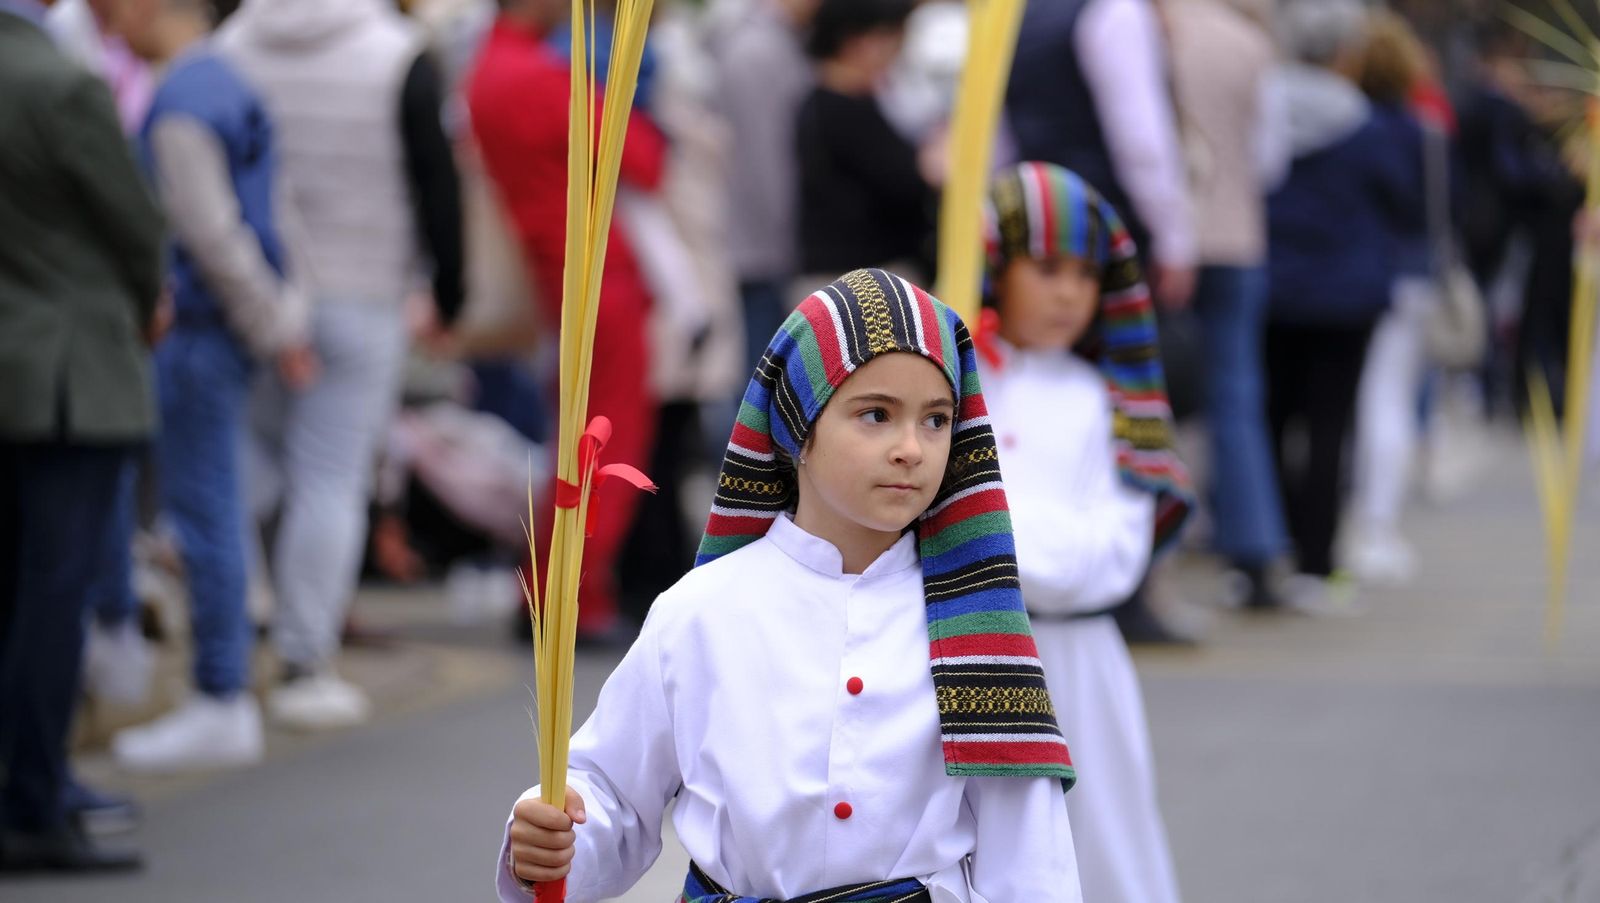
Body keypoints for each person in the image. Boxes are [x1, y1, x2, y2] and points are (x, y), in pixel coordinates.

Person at [496, 268, 1082, 902]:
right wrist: (552, 835)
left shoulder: (976, 626)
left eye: (936, 420)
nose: (911, 447)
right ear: (797, 427)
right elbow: (610, 795)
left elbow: (1030, 858)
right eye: (876, 414)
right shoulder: (700, 611)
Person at [217, 0, 465, 727]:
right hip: (364, 291)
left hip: (258, 293)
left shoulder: (232, 42)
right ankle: (303, 656)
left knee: (254, 464)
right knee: (330, 476)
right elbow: (436, 183)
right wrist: (449, 295)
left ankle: (240, 638)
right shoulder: (397, 52)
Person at [106, 0, 313, 772]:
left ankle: (219, 691)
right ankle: (222, 689)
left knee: (205, 507)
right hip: (228, 327)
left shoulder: (181, 98)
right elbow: (277, 219)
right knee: (217, 501)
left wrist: (274, 325)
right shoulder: (234, 82)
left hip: (196, 329)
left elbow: (210, 231)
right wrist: (285, 318)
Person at [978, 162, 1192, 903]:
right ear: (997, 266)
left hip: (1077, 664)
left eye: (1085, 272)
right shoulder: (950, 386)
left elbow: (1112, 557)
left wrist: (985, 539)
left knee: (1105, 847)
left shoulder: (1113, 404)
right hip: (963, 653)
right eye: (1046, 268)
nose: (1069, 291)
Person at [0, 0, 164, 871]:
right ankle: (32, 797)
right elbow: (136, 224)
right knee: (51, 597)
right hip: (70, 374)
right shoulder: (62, 83)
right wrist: (147, 303)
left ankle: (34, 782)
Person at [467, 0, 664, 645]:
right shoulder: (541, 78)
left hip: (558, 273)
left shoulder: (492, 71)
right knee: (605, 442)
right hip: (598, 273)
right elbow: (643, 157)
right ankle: (570, 594)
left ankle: (553, 587)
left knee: (580, 437)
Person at [1264, 0, 1424, 593]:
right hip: (1347, 293)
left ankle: (1271, 545)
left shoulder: (1265, 112)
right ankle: (1317, 558)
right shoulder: (1371, 126)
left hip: (1276, 286)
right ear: (1343, 51)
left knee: (1273, 417)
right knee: (1332, 425)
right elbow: (1405, 203)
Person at [1165, 0, 1292, 607]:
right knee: (1236, 397)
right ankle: (1254, 547)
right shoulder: (1248, 41)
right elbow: (1271, 154)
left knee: (1153, 391)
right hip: (1237, 236)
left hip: (1169, 238)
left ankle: (1162, 538)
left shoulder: (1153, 27)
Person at [795, 0, 935, 293]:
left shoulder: (830, 101)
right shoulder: (842, 108)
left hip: (855, 276)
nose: (895, 51)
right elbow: (904, 179)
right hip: (863, 286)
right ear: (857, 41)